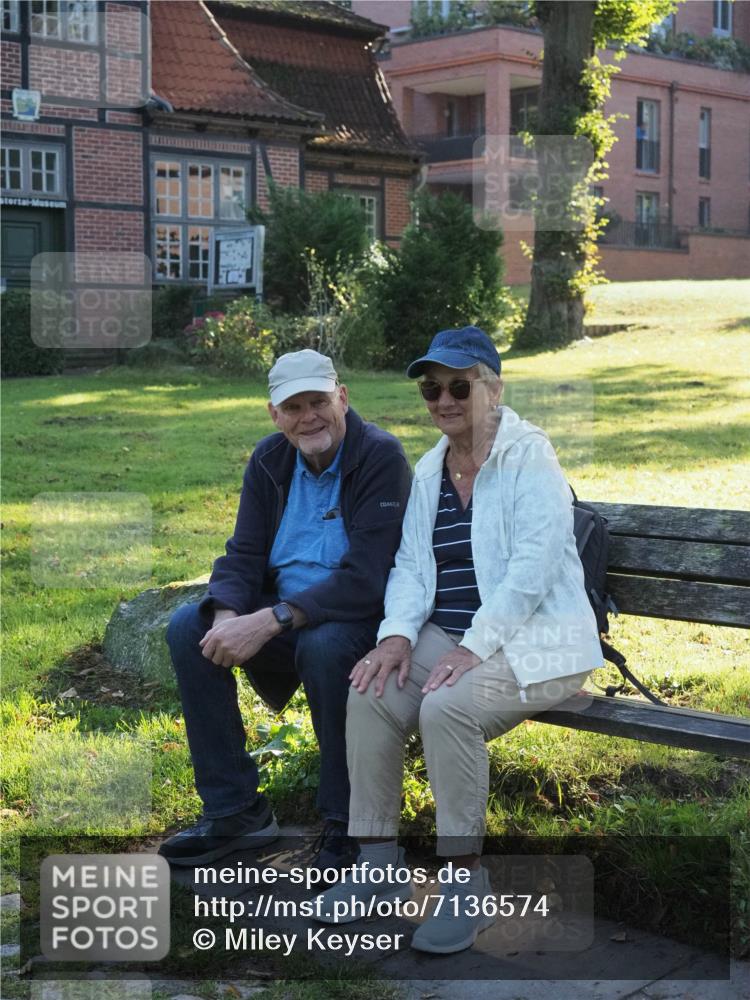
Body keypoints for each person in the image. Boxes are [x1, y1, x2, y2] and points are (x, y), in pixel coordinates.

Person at [315, 326, 603, 953]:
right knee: (371, 688)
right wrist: (394, 637)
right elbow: (413, 568)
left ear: (492, 388)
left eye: (458, 386)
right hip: (453, 640)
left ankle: (465, 884)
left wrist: (472, 648)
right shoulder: (429, 469)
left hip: (539, 642)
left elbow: (531, 571)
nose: (443, 400)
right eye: (430, 389)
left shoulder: (530, 456)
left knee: (447, 709)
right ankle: (379, 865)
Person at [160, 349, 411, 871]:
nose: (308, 417)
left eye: (318, 401)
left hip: (356, 619)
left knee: (325, 646)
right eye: (292, 407)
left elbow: (367, 579)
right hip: (284, 613)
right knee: (191, 626)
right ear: (275, 415)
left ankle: (347, 823)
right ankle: (235, 811)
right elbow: (244, 553)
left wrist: (271, 620)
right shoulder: (269, 459)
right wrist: (228, 616)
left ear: (342, 397)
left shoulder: (380, 456)